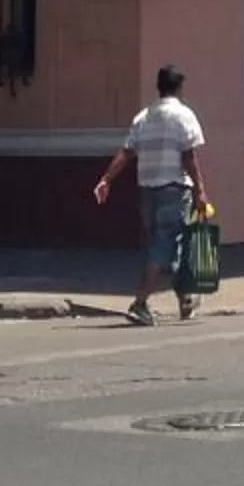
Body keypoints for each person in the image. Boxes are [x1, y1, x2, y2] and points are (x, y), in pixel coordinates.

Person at [92, 65, 205, 325]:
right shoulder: (183, 115)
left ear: (159, 87)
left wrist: (106, 179)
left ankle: (186, 299)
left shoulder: (143, 117)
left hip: (147, 191)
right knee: (164, 245)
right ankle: (140, 302)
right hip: (174, 188)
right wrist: (200, 190)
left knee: (168, 243)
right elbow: (189, 156)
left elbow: (127, 151)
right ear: (179, 88)